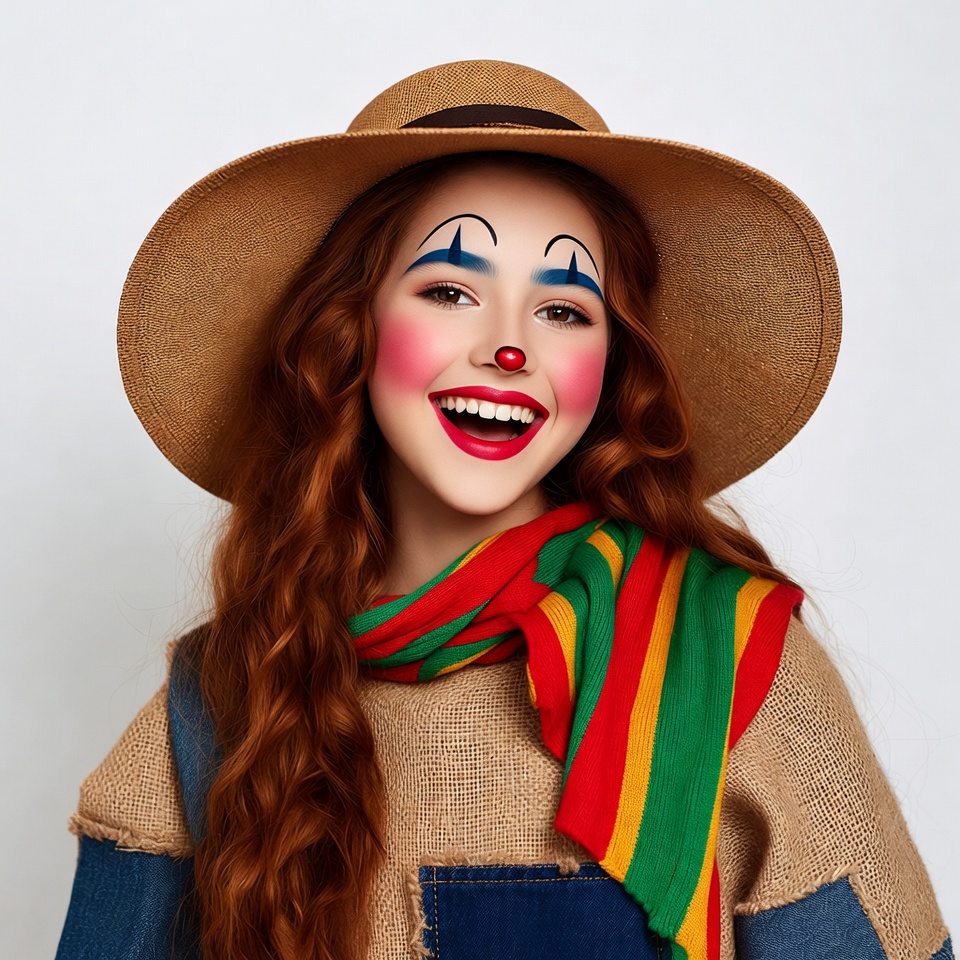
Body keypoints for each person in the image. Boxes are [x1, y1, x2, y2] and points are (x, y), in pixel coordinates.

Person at [56, 60, 952, 960]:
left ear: (611, 369)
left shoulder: (738, 667)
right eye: (449, 291)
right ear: (349, 330)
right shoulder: (217, 703)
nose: (511, 348)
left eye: (564, 309)